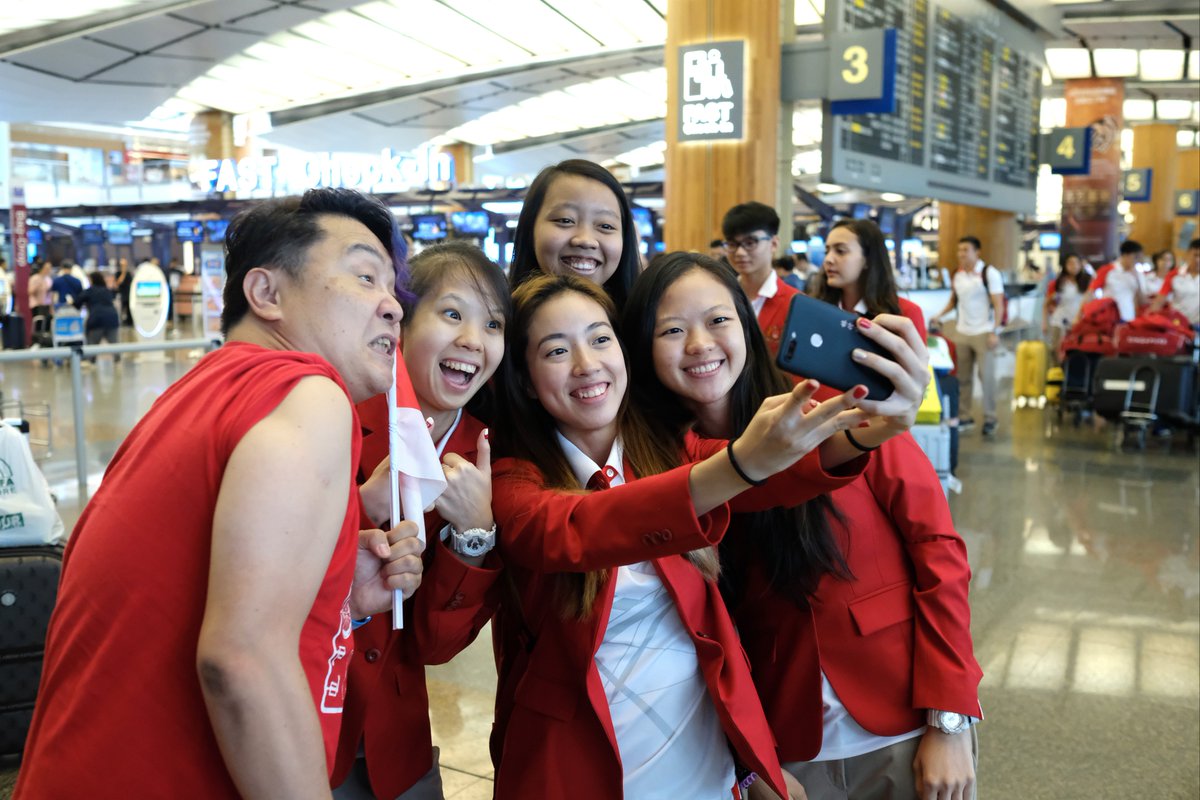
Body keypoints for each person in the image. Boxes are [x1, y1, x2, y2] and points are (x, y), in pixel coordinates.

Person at [16, 188, 426, 799]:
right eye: (365, 276)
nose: (393, 306)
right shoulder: (307, 391)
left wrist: (337, 592)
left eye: (392, 288)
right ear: (266, 294)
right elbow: (243, 661)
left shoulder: (194, 397)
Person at [489, 272, 897, 800]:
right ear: (523, 377)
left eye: (599, 338)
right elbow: (576, 528)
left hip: (702, 763)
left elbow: (778, 474)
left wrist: (871, 426)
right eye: (555, 351)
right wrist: (741, 461)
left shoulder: (666, 452)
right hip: (577, 766)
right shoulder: (510, 481)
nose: (587, 366)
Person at [622, 252, 979, 800]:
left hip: (906, 723)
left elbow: (938, 550)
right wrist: (751, 760)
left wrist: (949, 718)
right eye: (672, 329)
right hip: (790, 747)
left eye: (718, 320)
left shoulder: (838, 408)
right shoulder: (663, 469)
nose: (699, 344)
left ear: (748, 323)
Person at [333, 242, 508, 800]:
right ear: (401, 322)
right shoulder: (329, 413)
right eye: (453, 313)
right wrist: (364, 505)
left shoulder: (485, 453)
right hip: (304, 727)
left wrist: (473, 535)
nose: (473, 341)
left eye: (493, 324)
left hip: (396, 747)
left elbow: (434, 644)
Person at [508, 158, 641, 309]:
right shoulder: (498, 325)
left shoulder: (647, 327)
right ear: (530, 228)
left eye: (606, 225)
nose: (585, 240)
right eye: (565, 220)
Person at [930, 236, 1005, 437]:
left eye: (966, 250)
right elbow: (953, 301)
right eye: (959, 250)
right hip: (962, 332)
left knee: (986, 377)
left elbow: (999, 304)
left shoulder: (989, 273)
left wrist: (995, 331)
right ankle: (965, 416)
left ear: (977, 251)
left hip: (984, 332)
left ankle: (990, 419)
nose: (961, 254)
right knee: (962, 378)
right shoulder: (958, 274)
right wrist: (939, 315)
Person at [815, 219, 926, 336]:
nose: (828, 259)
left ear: (868, 259)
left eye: (840, 251)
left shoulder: (905, 314)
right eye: (826, 252)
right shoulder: (817, 308)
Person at [721, 201, 798, 354]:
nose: (740, 252)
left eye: (750, 243)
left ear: (774, 244)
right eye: (732, 244)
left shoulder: (795, 304)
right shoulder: (719, 297)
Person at [1084, 239, 1146, 323]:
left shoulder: (1139, 275)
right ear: (1125, 255)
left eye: (1139, 257)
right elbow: (1090, 292)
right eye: (1135, 257)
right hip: (1108, 317)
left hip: (1128, 317)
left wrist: (1137, 279)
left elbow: (1142, 301)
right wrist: (1082, 314)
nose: (1137, 260)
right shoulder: (1108, 270)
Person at [1042, 253, 1089, 360]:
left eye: (1077, 263)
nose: (1074, 266)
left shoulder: (1087, 281)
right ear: (1065, 265)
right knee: (1056, 351)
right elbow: (1046, 304)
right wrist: (1044, 323)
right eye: (1071, 263)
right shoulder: (1058, 283)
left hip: (1080, 322)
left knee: (1077, 351)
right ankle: (1057, 374)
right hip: (1060, 321)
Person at [1149, 238, 1199, 326]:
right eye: (1195, 255)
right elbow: (1159, 301)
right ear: (1188, 253)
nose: (1198, 260)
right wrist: (1150, 320)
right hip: (1178, 325)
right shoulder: (1174, 275)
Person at [74, 269, 122, 359]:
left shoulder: (89, 291)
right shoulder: (107, 290)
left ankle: (91, 362)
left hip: (96, 320)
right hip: (112, 319)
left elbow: (77, 303)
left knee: (91, 347)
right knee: (115, 346)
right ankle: (118, 364)